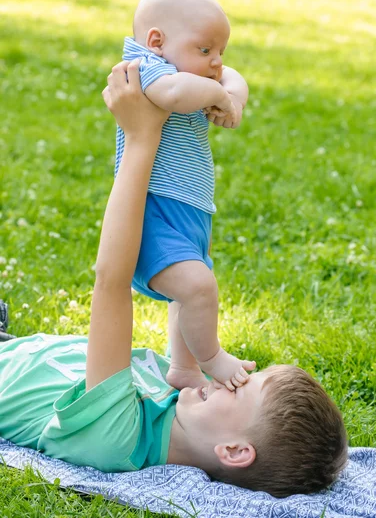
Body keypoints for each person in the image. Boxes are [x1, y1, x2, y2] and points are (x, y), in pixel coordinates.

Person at [0, 61, 347, 497]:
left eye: (239, 389)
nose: (226, 377)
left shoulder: (117, 438)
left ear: (235, 451)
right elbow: (189, 286)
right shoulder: (178, 397)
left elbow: (112, 281)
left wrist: (141, 139)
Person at [115, 0, 255, 392]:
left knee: (189, 296)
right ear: (157, 40)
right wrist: (217, 93)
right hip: (152, 212)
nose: (217, 63)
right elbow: (174, 94)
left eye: (220, 51)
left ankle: (185, 369)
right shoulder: (146, 67)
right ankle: (213, 358)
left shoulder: (188, 67)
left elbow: (233, 76)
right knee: (197, 288)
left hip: (189, 212)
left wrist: (234, 99)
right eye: (206, 50)